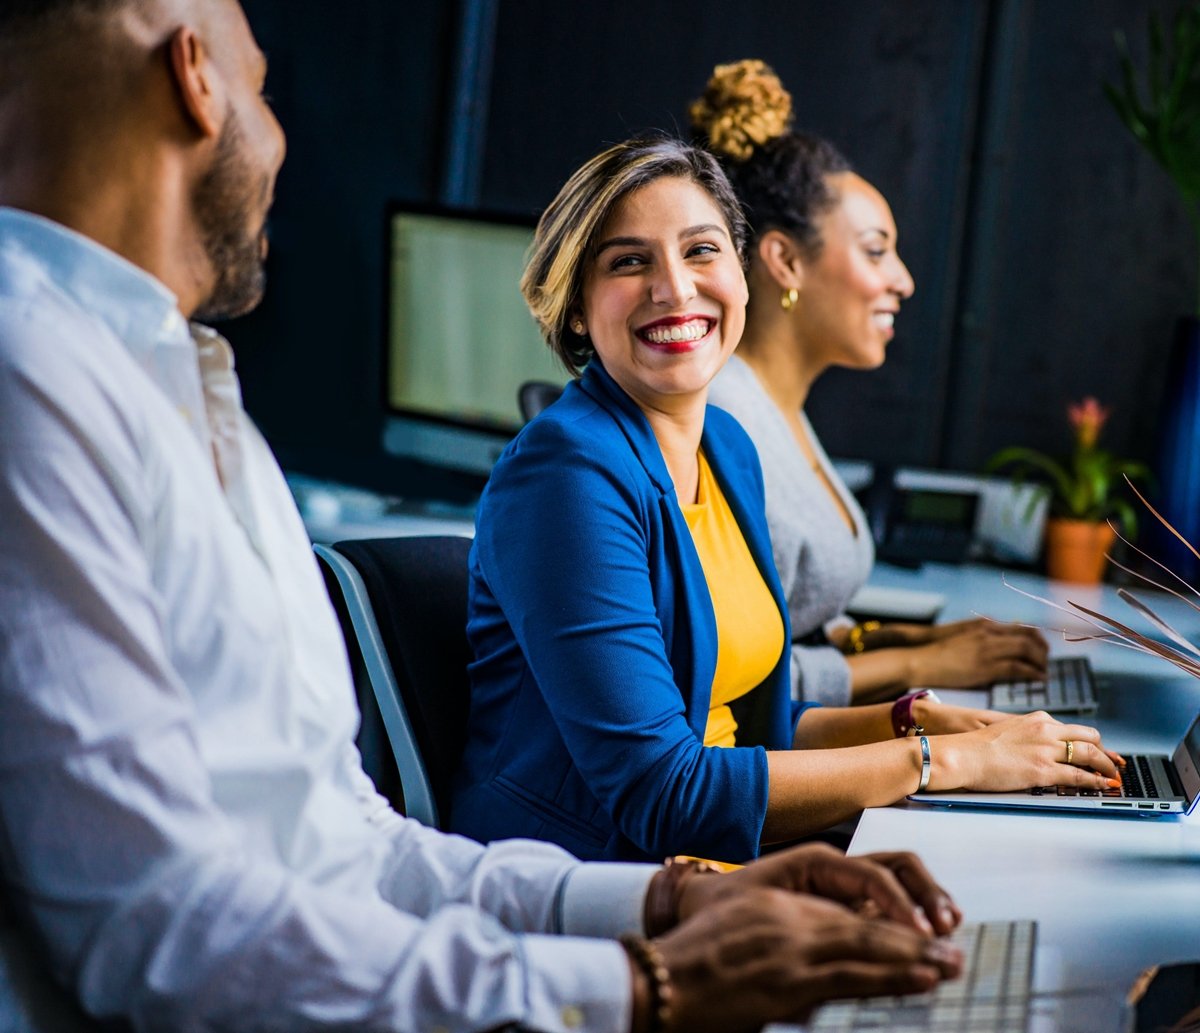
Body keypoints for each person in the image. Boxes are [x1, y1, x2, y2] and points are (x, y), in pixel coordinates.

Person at [0, 3, 975, 1031]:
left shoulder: (181, 383)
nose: (279, 136)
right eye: (264, 88)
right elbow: (161, 933)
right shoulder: (35, 378)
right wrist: (647, 982)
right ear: (197, 80)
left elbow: (349, 848)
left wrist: (674, 903)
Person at [451, 135, 1123, 866]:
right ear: (577, 308)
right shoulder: (565, 475)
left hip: (718, 864)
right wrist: (943, 761)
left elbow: (750, 730)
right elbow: (662, 791)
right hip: (591, 886)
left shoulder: (728, 448)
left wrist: (919, 722)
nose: (675, 288)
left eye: (702, 251)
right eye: (628, 261)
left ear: (742, 275)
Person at [696, 59, 1051, 707]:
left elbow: (792, 624)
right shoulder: (724, 423)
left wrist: (911, 641)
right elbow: (735, 684)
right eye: (875, 249)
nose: (903, 280)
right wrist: (922, 665)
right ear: (785, 259)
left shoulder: (778, 410)